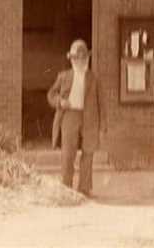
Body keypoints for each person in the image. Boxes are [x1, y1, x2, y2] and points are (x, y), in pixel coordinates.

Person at [47, 38, 106, 196]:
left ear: (87, 58)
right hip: (69, 117)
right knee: (68, 153)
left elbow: (101, 103)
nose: (80, 61)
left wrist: (103, 125)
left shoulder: (94, 78)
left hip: (89, 118)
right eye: (77, 58)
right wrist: (60, 101)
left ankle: (84, 189)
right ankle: (66, 189)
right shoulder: (63, 76)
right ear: (71, 59)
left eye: (83, 57)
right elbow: (51, 94)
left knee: (88, 152)